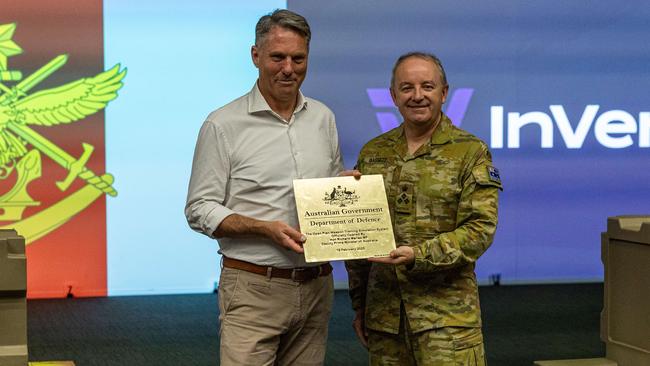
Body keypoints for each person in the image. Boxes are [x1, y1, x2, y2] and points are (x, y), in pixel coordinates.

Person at [185, 9, 346, 366]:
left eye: (298, 58)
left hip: (317, 286)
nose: (288, 68)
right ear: (255, 56)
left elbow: (329, 190)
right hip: (253, 287)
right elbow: (198, 208)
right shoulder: (222, 124)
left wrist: (346, 191)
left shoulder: (323, 118)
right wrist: (263, 229)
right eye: (277, 57)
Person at [345, 52, 502, 365]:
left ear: (444, 93)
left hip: (447, 323)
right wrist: (360, 306)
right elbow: (359, 238)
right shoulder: (373, 153)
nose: (417, 96)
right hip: (386, 320)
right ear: (393, 96)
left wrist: (419, 255)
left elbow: (479, 230)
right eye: (406, 88)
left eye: (427, 86)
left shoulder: (470, 152)